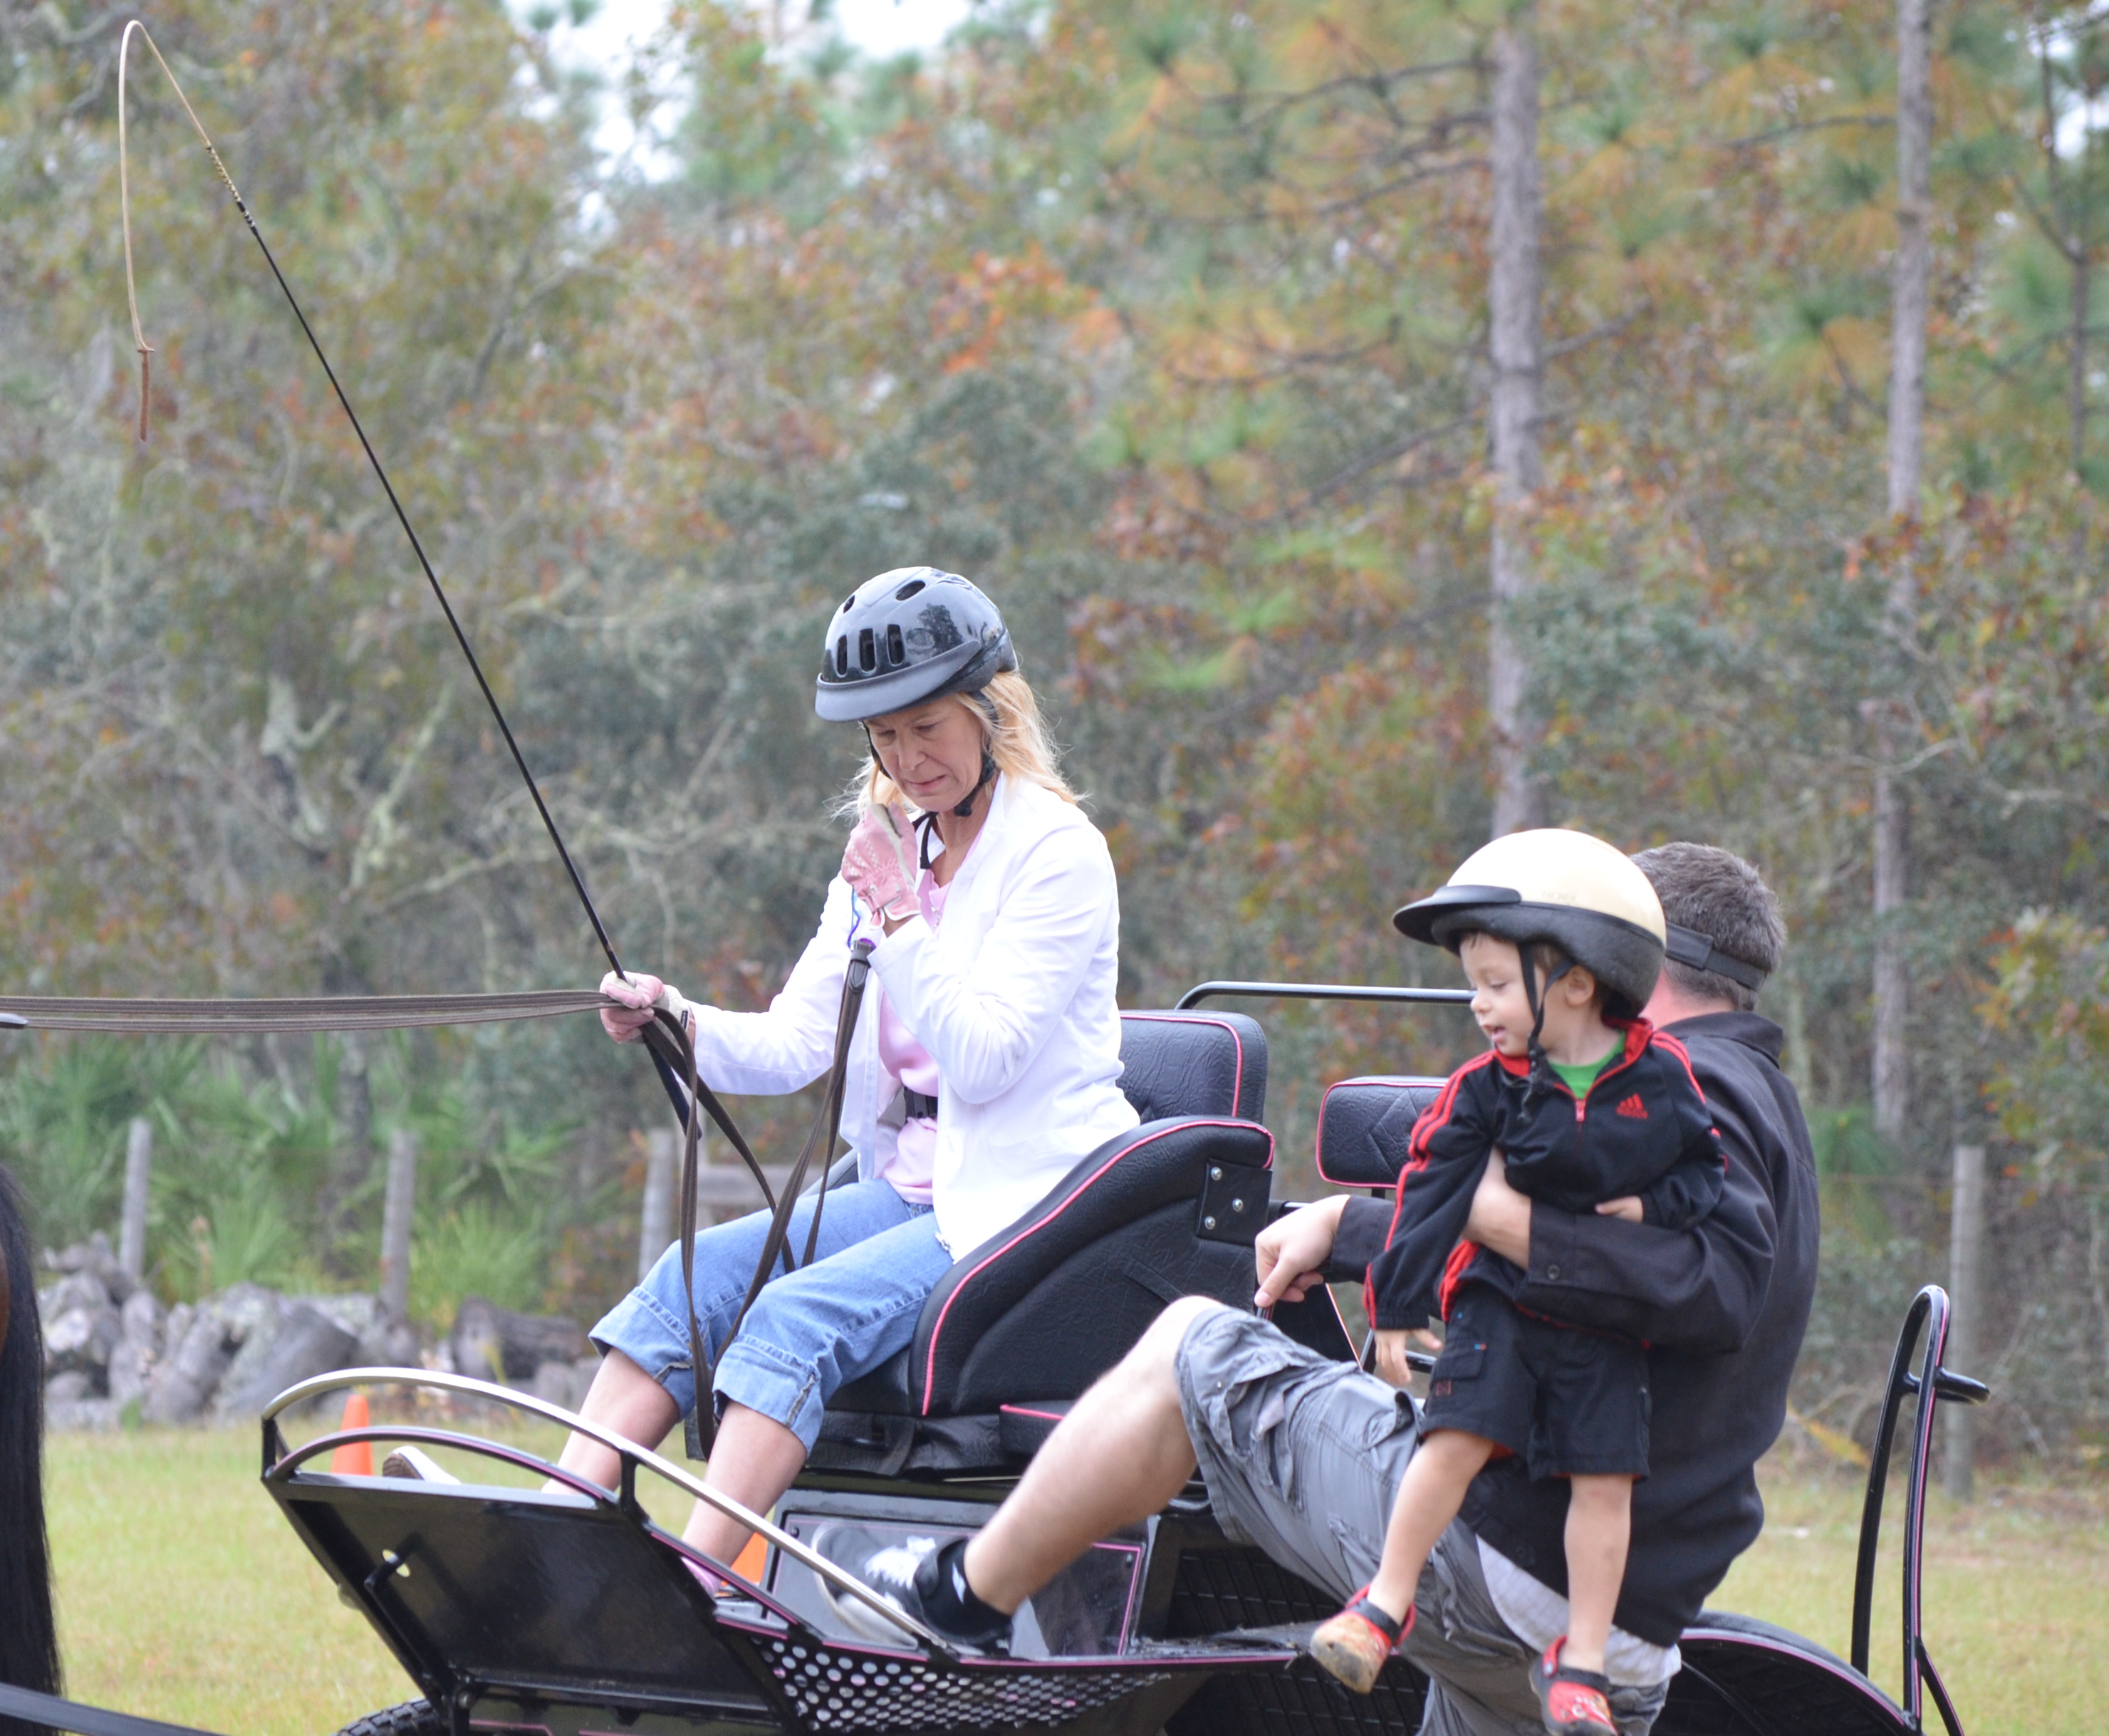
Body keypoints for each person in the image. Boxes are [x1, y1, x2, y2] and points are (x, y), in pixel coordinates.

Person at [842, 841, 1818, 1736]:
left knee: (1191, 1346)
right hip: (1622, 1630)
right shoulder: (1750, 1106)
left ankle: (956, 1599)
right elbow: (1602, 1259)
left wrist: (1474, 1210)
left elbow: (1709, 1288)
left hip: (1505, 1554)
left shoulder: (1693, 1088)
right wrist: (1356, 1229)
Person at [560, 566, 1139, 1577]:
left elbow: (984, 1061)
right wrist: (674, 1019)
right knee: (692, 1279)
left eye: (926, 728)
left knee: (793, 1317)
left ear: (990, 710)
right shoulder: (885, 848)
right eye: (884, 737)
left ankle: (691, 1586)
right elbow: (796, 1043)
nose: (906, 761)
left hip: (1025, 1204)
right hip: (914, 1190)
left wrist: (903, 917)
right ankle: (550, 1538)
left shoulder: (1059, 854)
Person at [1306, 832, 1725, 1736]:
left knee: (1605, 1485)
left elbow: (1704, 1173)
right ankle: (1383, 1606)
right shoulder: (1483, 1090)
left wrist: (1651, 1208)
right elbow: (1429, 1193)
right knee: (1453, 1439)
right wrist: (1394, 1307)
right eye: (1475, 985)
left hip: (1602, 1324)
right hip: (1498, 1302)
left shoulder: (1662, 1081)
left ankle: (1582, 1667)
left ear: (1576, 980)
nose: (1477, 1004)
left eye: (1496, 984)